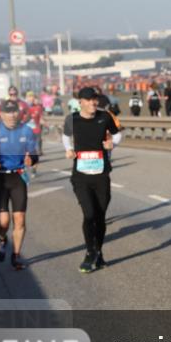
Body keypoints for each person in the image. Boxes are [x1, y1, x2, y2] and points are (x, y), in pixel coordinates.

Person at [63, 87, 122, 273]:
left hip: (101, 174)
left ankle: (99, 251)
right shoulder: (72, 119)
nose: (93, 103)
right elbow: (66, 136)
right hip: (80, 176)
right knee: (89, 214)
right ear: (80, 101)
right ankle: (90, 253)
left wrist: (113, 143)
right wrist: (68, 149)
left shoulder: (104, 117)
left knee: (100, 217)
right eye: (88, 100)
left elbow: (119, 132)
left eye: (95, 99)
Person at [0, 99, 39, 270]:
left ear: (19, 112)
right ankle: (2, 238)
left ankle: (16, 256)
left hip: (18, 177)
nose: (11, 115)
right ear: (1, 114)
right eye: (7, 112)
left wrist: (31, 159)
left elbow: (34, 154)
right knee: (3, 222)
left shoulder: (27, 130)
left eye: (14, 111)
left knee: (19, 219)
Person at [25, 91, 45, 158]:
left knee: (36, 142)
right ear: (26, 98)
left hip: (35, 128)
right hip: (25, 129)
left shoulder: (38, 107)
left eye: (32, 96)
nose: (31, 98)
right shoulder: (23, 107)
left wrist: (43, 122)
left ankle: (37, 153)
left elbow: (41, 117)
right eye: (29, 97)